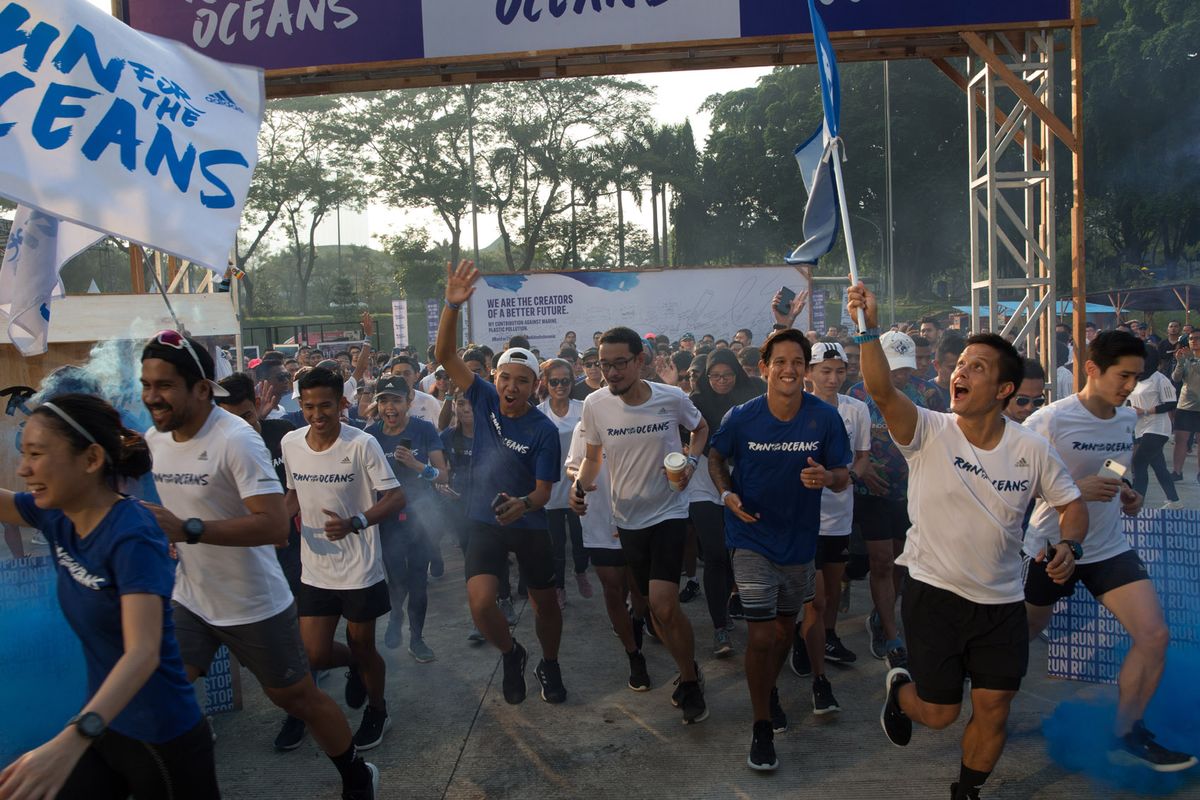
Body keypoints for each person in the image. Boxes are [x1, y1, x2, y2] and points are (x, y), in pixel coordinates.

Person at [845, 284, 1088, 800]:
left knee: (995, 707)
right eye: (961, 365)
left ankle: (968, 791)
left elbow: (1071, 505)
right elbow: (883, 392)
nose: (961, 372)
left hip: (1002, 604)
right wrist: (867, 328)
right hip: (934, 595)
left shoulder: (1032, 448)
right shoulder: (930, 429)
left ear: (1004, 389)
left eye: (978, 367)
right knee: (938, 713)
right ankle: (900, 688)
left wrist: (1071, 545)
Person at [139, 331, 379, 799]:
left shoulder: (237, 441)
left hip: (253, 604)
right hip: (191, 599)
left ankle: (356, 773)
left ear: (201, 389)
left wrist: (188, 529)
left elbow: (272, 526)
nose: (152, 396)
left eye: (165, 385)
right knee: (159, 689)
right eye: (147, 384)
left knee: (299, 699)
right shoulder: (154, 438)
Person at [0, 394, 219, 799]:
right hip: (106, 722)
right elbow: (6, 503)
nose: (23, 468)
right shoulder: (55, 513)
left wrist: (73, 738)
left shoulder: (133, 534)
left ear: (91, 458)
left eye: (36, 453)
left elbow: (142, 652)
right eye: (23, 452)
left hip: (162, 736)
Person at [1023, 332, 1196, 772]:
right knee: (1016, 638)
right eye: (1123, 376)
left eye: (1137, 377)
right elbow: (1013, 487)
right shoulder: (1049, 420)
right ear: (1091, 369)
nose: (1129, 386)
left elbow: (1115, 462)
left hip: (1108, 546)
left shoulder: (1124, 418)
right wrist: (1071, 490)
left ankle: (1127, 731)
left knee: (1155, 635)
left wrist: (1124, 490)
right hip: (1051, 547)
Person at [708, 330, 852, 771]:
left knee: (786, 630)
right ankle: (761, 726)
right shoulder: (741, 417)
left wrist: (827, 478)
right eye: (780, 361)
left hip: (798, 543)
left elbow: (844, 473)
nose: (789, 369)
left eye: (797, 362)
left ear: (805, 370)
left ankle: (767, 688)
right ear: (763, 367)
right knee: (760, 634)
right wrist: (727, 494)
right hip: (750, 538)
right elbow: (715, 458)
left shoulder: (824, 419)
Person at [436, 261, 567, 706]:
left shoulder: (543, 430)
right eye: (506, 378)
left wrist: (524, 505)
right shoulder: (483, 396)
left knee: (545, 605)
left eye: (523, 382)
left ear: (536, 387)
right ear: (495, 380)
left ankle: (549, 663)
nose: (512, 387)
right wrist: (452, 305)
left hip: (528, 523)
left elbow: (546, 492)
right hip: (484, 519)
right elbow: (446, 357)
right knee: (480, 602)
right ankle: (512, 654)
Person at [571, 326, 711, 725]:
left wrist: (693, 462)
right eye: (604, 365)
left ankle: (689, 680)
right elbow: (593, 458)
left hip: (668, 511)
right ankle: (690, 669)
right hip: (626, 519)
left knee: (665, 605)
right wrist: (580, 486)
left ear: (639, 361)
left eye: (619, 364)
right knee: (652, 610)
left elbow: (700, 430)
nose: (611, 373)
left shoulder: (671, 398)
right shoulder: (595, 405)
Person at [282, 367, 405, 751]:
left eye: (326, 406)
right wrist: (268, 526)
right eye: (309, 407)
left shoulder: (361, 444)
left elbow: (395, 497)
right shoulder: (290, 443)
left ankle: (378, 709)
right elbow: (293, 495)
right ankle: (353, 665)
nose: (317, 415)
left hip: (359, 568)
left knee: (365, 646)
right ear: (300, 405)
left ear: (343, 404)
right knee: (315, 653)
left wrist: (356, 521)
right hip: (315, 567)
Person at [215, 373, 311, 751]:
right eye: (231, 419)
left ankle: (300, 713)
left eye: (248, 416)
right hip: (245, 556)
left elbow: (297, 486)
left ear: (258, 408)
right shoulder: (219, 444)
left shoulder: (283, 433)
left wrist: (277, 524)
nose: (242, 425)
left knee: (296, 637)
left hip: (288, 548)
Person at [849, 331, 947, 669]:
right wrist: (860, 470)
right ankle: (891, 634)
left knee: (903, 563)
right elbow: (849, 441)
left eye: (906, 369)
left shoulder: (929, 393)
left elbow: (945, 440)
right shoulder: (858, 394)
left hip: (914, 493)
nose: (901, 375)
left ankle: (882, 612)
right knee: (881, 561)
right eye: (894, 369)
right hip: (871, 492)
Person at [791, 342, 871, 714]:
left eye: (840, 370)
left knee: (835, 589)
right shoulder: (795, 408)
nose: (833, 378)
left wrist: (847, 476)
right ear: (809, 373)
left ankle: (827, 636)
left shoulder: (857, 409)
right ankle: (805, 638)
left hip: (840, 514)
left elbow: (863, 457)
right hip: (804, 517)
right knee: (816, 596)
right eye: (825, 370)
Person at [363, 375, 450, 661]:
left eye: (396, 400)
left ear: (409, 401)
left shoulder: (424, 430)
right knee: (396, 579)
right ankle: (396, 616)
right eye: (384, 400)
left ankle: (417, 638)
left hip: (421, 516)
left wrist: (416, 464)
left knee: (417, 581)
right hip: (387, 520)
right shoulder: (370, 436)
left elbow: (443, 475)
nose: (390, 407)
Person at [688, 347, 763, 657]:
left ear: (738, 373)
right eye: (714, 376)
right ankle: (720, 627)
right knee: (716, 553)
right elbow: (685, 436)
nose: (721, 381)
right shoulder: (695, 401)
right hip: (704, 483)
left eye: (727, 375)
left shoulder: (755, 393)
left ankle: (734, 597)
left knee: (737, 551)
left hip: (743, 478)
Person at [538, 360, 592, 608]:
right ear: (546, 383)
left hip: (578, 486)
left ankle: (580, 572)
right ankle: (559, 587)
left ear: (573, 382)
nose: (560, 386)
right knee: (555, 545)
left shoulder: (584, 409)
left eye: (565, 381)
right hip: (549, 489)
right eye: (554, 381)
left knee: (581, 540)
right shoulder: (538, 414)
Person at [1128, 350, 1182, 509]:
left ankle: (1136, 503)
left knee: (1138, 462)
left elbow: (1171, 403)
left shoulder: (1160, 379)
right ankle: (1175, 501)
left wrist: (1145, 411)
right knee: (1159, 466)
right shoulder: (1134, 379)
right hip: (1139, 428)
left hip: (1157, 427)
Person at [1170, 330, 1200, 482]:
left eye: (1197, 338)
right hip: (1185, 404)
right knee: (1180, 439)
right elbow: (1175, 378)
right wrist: (1180, 363)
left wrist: (1192, 360)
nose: (1193, 341)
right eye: (1191, 339)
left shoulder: (1192, 359)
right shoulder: (1186, 358)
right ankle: (1177, 471)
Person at [1002, 358, 1046, 424]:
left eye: (1038, 401)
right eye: (1022, 400)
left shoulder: (1046, 425)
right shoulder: (986, 428)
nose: (1029, 408)